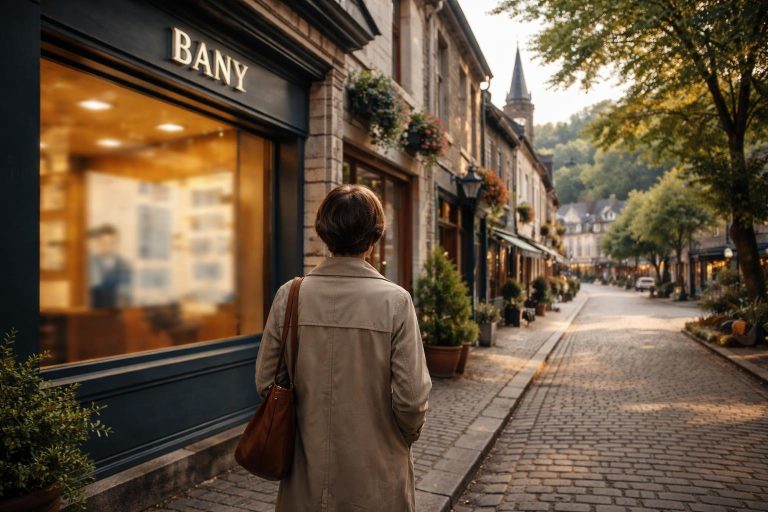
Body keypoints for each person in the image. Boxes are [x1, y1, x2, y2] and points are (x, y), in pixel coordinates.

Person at [255, 184, 431, 511]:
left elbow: (266, 382)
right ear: (374, 236)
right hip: (376, 478)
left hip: (304, 476)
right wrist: (401, 438)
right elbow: (412, 398)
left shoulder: (290, 296)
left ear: (324, 232)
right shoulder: (395, 302)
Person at [88, 224, 132, 308]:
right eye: (104, 243)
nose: (107, 247)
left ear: (117, 243)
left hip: (117, 313)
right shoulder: (89, 264)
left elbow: (126, 295)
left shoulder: (125, 265)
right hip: (94, 313)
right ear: (98, 243)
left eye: (111, 243)